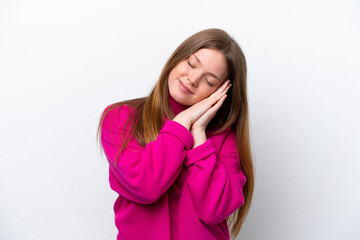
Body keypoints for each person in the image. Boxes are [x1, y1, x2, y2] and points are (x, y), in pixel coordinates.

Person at [97, 28, 254, 240]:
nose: (192, 79)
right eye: (191, 64)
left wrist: (198, 134)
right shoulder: (120, 118)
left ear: (222, 93)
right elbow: (146, 186)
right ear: (177, 58)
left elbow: (214, 210)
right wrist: (181, 124)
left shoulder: (225, 138)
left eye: (209, 81)